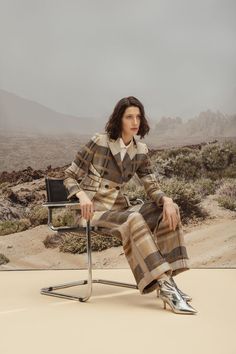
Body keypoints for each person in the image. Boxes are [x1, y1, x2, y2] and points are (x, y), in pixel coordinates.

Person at [63, 96, 198, 315]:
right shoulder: (99, 142)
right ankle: (166, 287)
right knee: (134, 218)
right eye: (129, 117)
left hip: (118, 211)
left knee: (167, 210)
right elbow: (69, 175)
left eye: (138, 116)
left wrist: (167, 200)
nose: (135, 121)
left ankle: (168, 279)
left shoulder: (141, 150)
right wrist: (81, 195)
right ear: (119, 120)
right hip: (92, 212)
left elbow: (152, 186)